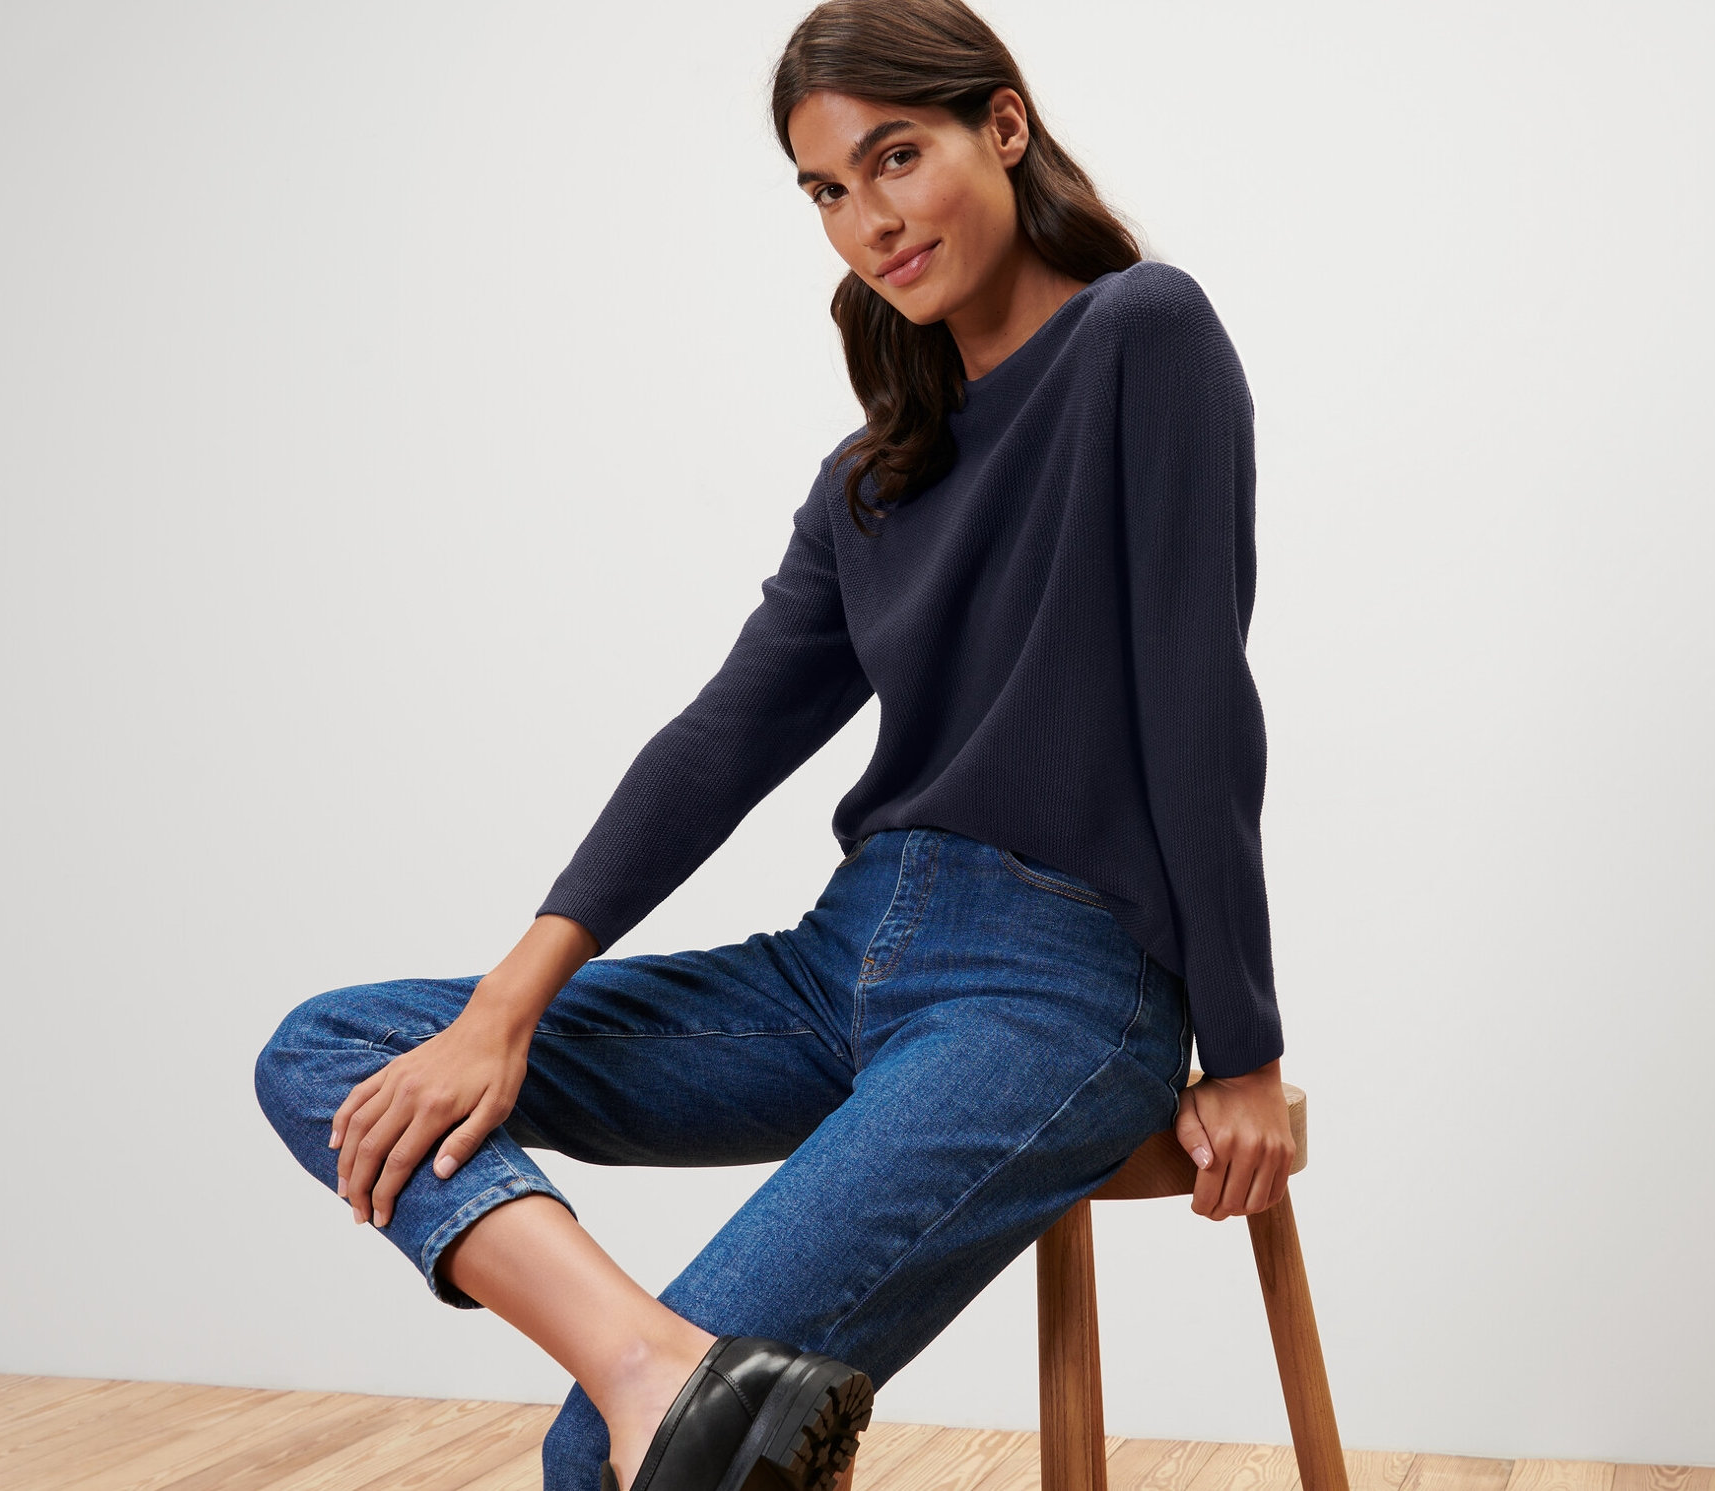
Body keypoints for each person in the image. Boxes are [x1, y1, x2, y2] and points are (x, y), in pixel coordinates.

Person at [253, 2, 1298, 1488]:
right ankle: (647, 1362)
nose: (869, 221)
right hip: (838, 966)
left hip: (1054, 991)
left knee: (610, 1458)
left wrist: (1244, 1049)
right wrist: (502, 1007)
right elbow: (720, 742)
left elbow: (1197, 703)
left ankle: (652, 1397)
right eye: (826, 191)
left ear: (1003, 128)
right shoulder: (873, 477)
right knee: (335, 1047)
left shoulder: (1142, 332)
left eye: (896, 157)